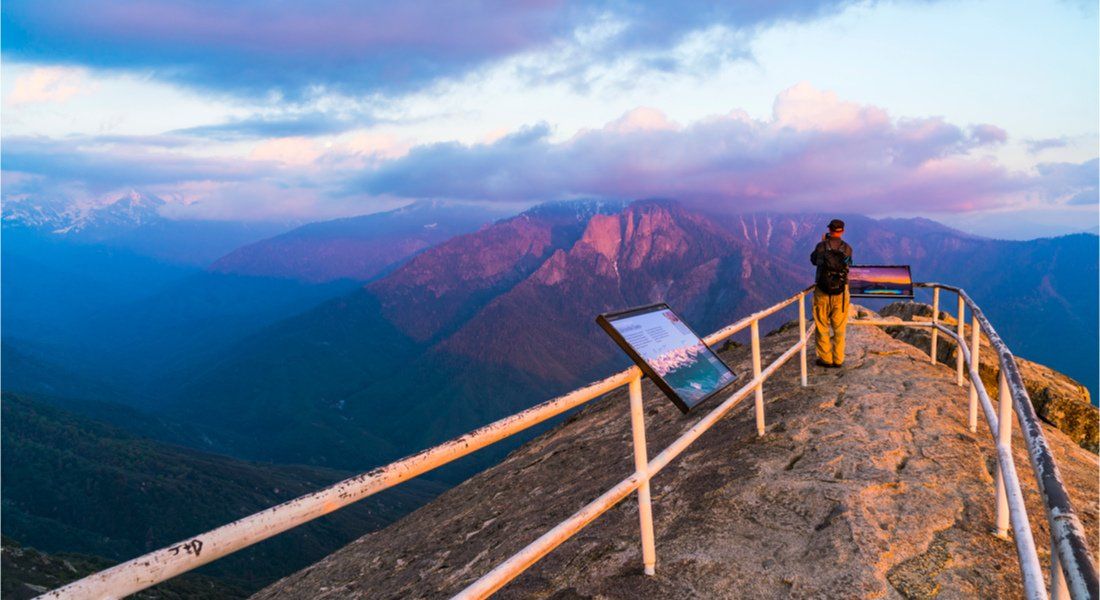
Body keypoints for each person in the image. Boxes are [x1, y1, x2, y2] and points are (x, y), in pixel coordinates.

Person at [810, 219, 853, 368]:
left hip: (822, 291)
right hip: (840, 293)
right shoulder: (847, 248)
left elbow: (814, 260)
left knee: (822, 325)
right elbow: (849, 264)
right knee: (839, 327)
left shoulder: (821, 246)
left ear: (829, 229)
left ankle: (826, 359)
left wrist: (823, 243)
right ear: (842, 231)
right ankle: (839, 358)